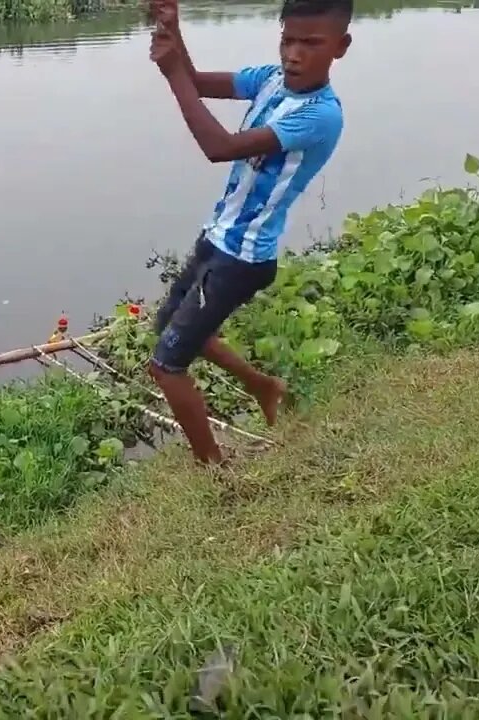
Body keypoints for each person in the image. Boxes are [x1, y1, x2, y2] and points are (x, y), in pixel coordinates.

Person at [145, 0, 353, 465]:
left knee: (166, 366)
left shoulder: (321, 115)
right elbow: (196, 83)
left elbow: (219, 147)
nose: (294, 54)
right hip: (218, 238)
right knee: (168, 329)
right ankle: (265, 388)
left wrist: (173, 72)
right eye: (287, 40)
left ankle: (213, 472)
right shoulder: (271, 80)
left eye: (311, 44)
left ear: (341, 47)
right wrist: (174, 33)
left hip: (242, 259)